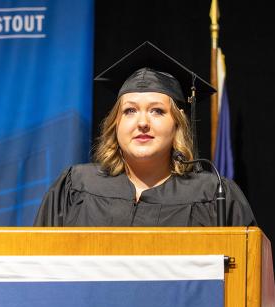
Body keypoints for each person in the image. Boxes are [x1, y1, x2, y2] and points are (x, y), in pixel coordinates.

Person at [34, 41, 256, 227]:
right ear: (116, 124)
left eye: (157, 111)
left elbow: (247, 271)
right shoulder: (76, 188)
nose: (142, 123)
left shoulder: (214, 194)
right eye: (130, 111)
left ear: (177, 125)